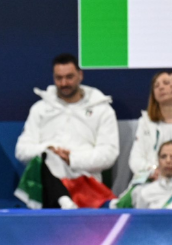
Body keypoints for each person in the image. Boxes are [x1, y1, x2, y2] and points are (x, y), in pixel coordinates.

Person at [15, 53, 119, 209]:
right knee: (47, 156)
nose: (64, 83)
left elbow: (108, 154)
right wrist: (48, 149)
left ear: (80, 75)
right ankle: (63, 199)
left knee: (50, 159)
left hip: (85, 184)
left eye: (69, 77)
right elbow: (21, 151)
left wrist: (71, 159)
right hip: (44, 189)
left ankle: (63, 199)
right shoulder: (40, 109)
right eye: (59, 78)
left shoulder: (102, 110)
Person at [128, 71, 172, 185]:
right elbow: (135, 160)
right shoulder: (145, 122)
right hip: (150, 180)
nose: (161, 87)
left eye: (166, 83)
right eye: (156, 86)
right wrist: (153, 171)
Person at [114, 140, 172, 209]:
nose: (168, 160)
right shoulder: (144, 191)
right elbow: (117, 206)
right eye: (163, 156)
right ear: (158, 160)